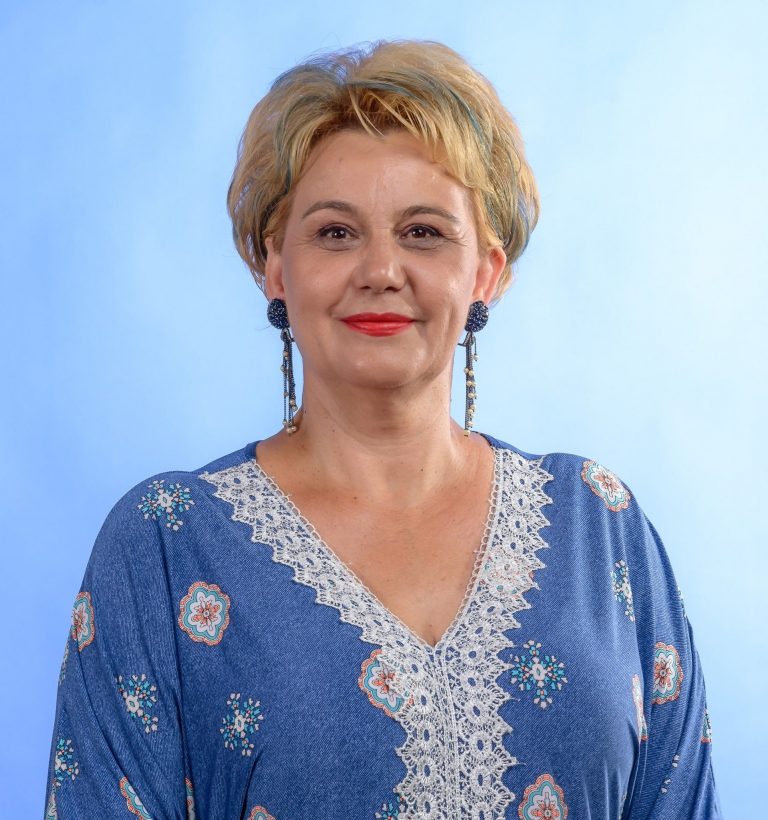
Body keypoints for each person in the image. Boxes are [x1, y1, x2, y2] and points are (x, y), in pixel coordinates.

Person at [45, 40, 721, 819]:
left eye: (423, 232)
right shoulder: (168, 544)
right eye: (336, 232)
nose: (380, 270)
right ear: (275, 265)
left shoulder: (598, 526)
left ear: (486, 272)